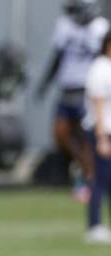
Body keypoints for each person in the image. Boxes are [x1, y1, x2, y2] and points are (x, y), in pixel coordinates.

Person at [37, 0, 109, 202]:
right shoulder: (65, 24)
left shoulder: (100, 27)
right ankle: (88, 172)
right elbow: (57, 56)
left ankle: (92, 178)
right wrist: (45, 84)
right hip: (67, 87)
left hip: (89, 88)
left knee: (88, 136)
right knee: (60, 133)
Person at [82, 31, 111, 244]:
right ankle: (94, 225)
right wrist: (101, 138)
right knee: (99, 178)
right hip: (101, 131)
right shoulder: (99, 69)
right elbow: (98, 105)